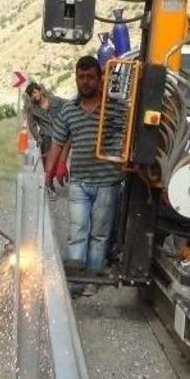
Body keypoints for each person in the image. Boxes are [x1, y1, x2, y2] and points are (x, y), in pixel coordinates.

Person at [45, 56, 124, 297]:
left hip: (107, 182)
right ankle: (75, 282)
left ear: (100, 79)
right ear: (76, 78)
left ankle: (92, 280)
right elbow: (57, 142)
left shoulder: (116, 108)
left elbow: (128, 138)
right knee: (77, 232)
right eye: (81, 77)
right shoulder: (69, 110)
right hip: (79, 183)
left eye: (90, 77)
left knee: (99, 235)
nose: (85, 81)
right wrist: (49, 172)